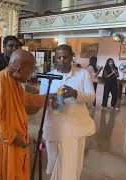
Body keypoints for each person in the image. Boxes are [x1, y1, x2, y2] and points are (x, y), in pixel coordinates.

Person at [0, 49, 55, 180]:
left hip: (13, 138)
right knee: (0, 175)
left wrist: (48, 97)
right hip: (1, 141)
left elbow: (27, 99)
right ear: (19, 69)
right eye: (29, 71)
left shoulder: (15, 82)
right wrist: (13, 137)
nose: (31, 75)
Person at [40, 44, 96, 180]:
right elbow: (41, 97)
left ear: (72, 57)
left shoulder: (82, 74)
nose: (62, 60)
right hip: (54, 125)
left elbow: (91, 96)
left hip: (76, 126)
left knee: (73, 161)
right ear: (55, 59)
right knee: (54, 160)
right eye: (59, 57)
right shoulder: (48, 76)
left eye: (65, 57)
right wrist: (50, 101)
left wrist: (75, 93)